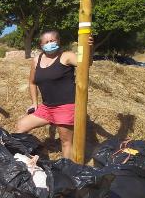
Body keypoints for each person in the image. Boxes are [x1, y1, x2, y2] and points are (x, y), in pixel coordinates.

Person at [15, 30, 93, 159]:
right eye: (46, 42)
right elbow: (32, 83)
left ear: (58, 42)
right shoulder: (37, 59)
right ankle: (22, 159)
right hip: (46, 107)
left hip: (65, 106)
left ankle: (67, 170)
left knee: (66, 142)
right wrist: (35, 103)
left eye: (52, 41)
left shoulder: (66, 56)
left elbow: (86, 63)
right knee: (21, 126)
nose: (49, 44)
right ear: (41, 45)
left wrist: (89, 48)